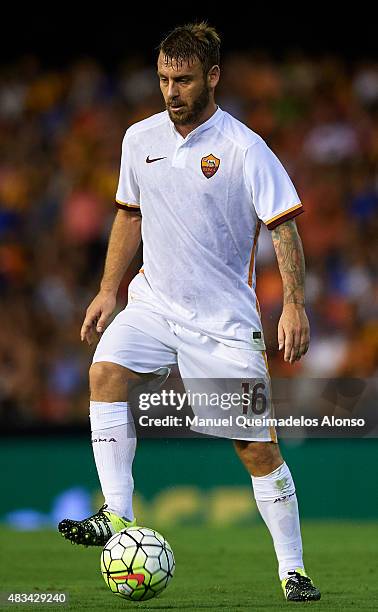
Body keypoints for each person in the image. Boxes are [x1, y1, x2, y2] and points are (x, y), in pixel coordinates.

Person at [58, 22, 320, 602]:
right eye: (163, 79)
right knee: (105, 373)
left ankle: (293, 571)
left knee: (256, 449)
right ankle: (117, 518)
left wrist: (294, 305)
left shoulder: (244, 148)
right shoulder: (138, 138)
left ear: (213, 78)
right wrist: (108, 289)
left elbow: (284, 226)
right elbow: (129, 215)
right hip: (153, 301)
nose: (171, 91)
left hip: (222, 322)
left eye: (183, 80)